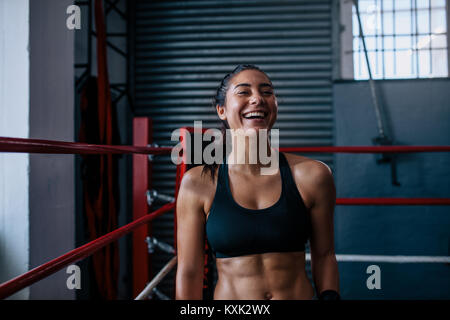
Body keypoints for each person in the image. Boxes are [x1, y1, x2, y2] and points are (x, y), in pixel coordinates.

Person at [175, 64, 339, 300]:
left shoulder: (313, 175)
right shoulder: (198, 183)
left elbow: (324, 255)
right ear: (221, 110)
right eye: (244, 92)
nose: (258, 99)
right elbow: (189, 271)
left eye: (267, 92)